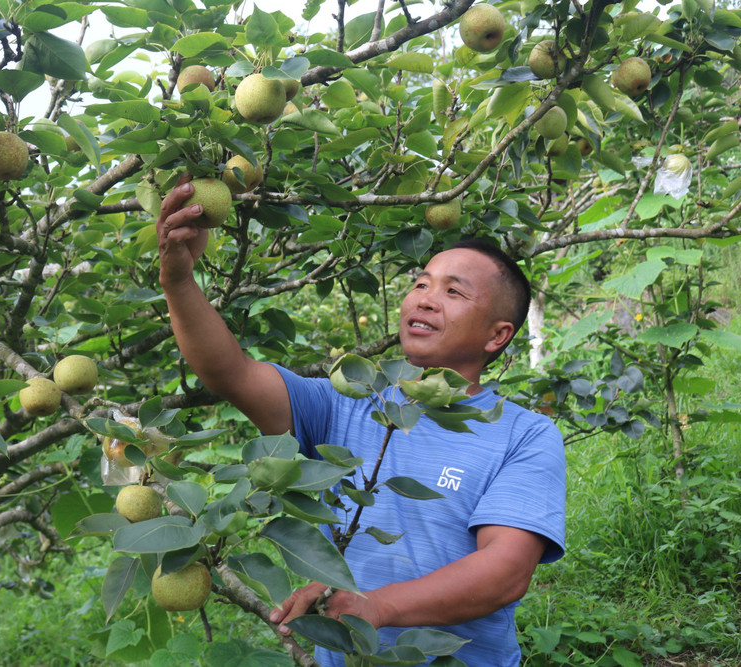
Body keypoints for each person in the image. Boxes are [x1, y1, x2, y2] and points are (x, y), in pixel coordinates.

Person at [156, 175, 566, 666]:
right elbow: (231, 373)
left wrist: (380, 606)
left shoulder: (524, 435)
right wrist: (178, 279)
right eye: (420, 283)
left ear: (497, 336)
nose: (425, 298)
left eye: (454, 293)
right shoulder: (346, 404)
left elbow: (505, 571)